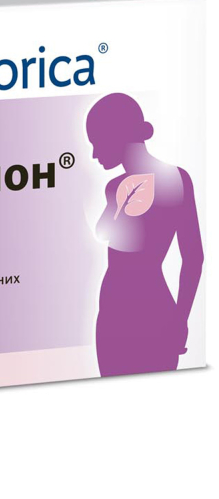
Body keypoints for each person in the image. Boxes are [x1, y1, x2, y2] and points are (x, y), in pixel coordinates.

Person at [86, 93, 203, 376]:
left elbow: (102, 232)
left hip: (128, 311)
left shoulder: (121, 187)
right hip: (139, 311)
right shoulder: (174, 179)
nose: (94, 155)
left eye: (97, 142)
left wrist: (181, 320)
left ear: (116, 135)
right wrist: (180, 318)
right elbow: (194, 259)